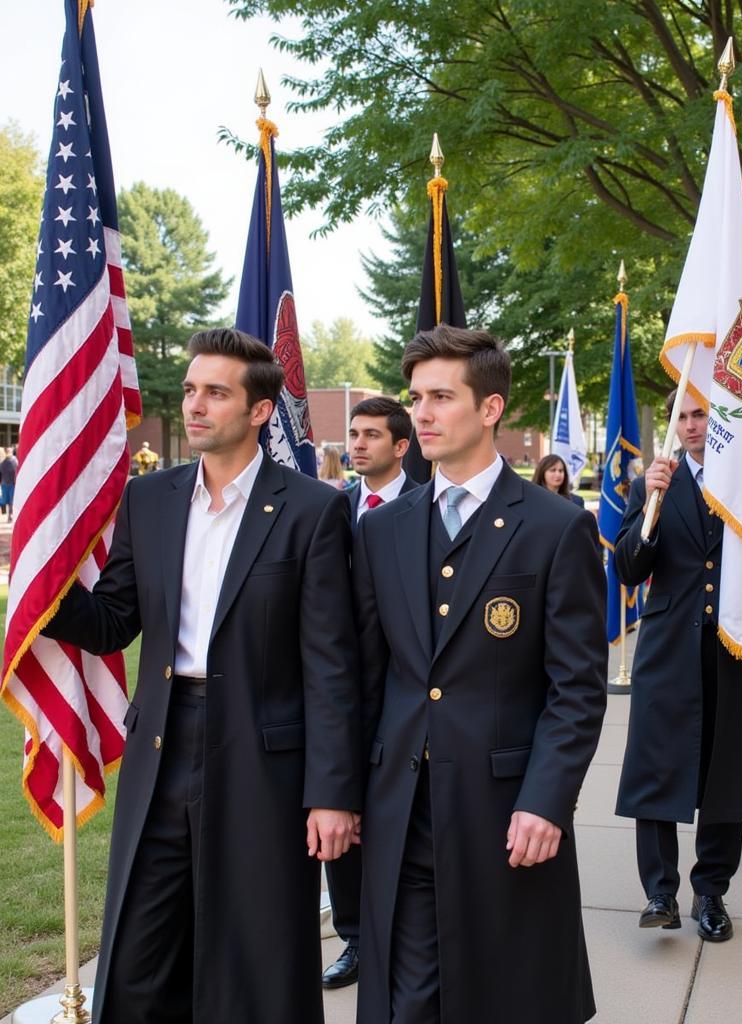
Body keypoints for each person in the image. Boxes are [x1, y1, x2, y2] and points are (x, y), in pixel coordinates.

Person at [43, 328, 363, 1024]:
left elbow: (331, 664)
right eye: (191, 389)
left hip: (263, 755)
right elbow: (113, 621)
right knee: (139, 951)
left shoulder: (313, 510)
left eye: (215, 392)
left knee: (254, 952)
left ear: (257, 411)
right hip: (161, 746)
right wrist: (44, 585)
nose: (194, 404)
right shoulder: (149, 499)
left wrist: (333, 793)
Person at [353, 324, 606, 1023]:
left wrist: (548, 798)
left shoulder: (555, 527)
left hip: (504, 811)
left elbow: (576, 687)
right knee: (406, 1001)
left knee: (503, 995)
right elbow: (369, 678)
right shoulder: (382, 528)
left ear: (490, 408)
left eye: (441, 397)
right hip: (401, 806)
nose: (422, 414)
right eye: (416, 397)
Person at [614, 388, 742, 942]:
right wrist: (648, 511)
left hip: (737, 648)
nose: (695, 425)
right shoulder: (656, 481)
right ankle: (659, 892)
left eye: (705, 414)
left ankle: (711, 893)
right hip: (669, 649)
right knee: (656, 767)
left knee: (727, 772)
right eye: (687, 415)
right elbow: (629, 569)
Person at [322, 396, 417, 992]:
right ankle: (354, 936)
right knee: (337, 815)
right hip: (339, 691)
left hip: (404, 691)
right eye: (353, 434)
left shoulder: (425, 506)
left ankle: (398, 933)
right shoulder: (334, 508)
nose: (357, 444)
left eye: (371, 436)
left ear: (401, 446)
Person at [0, 447, 17, 522]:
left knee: (9, 501)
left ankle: (9, 515)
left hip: (9, 484)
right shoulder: (14, 462)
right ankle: (7, 513)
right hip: (7, 484)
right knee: (7, 501)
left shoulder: (14, 462)